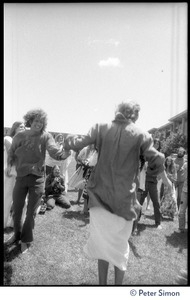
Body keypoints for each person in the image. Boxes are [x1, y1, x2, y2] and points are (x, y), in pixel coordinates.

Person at [64, 101, 172, 285]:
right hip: (125, 202)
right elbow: (158, 158)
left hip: (99, 198)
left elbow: (77, 143)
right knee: (120, 249)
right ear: (135, 116)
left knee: (101, 246)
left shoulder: (100, 127)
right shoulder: (141, 135)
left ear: (117, 111)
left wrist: (68, 139)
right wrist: (167, 180)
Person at [5, 108, 71, 254]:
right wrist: (9, 166)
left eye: (41, 122)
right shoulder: (20, 136)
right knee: (16, 209)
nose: (38, 124)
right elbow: (11, 152)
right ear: (30, 120)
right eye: (36, 121)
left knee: (31, 212)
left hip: (37, 180)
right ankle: (16, 235)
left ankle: (26, 240)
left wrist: (65, 152)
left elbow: (55, 151)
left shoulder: (46, 136)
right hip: (21, 178)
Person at [4, 121, 25, 228]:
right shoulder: (8, 138)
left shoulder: (24, 141)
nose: (23, 128)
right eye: (21, 126)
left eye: (24, 127)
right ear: (15, 128)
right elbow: (12, 153)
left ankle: (15, 223)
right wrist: (8, 166)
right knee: (6, 197)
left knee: (20, 199)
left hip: (20, 172)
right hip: (8, 171)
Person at [139, 138, 163, 229]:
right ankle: (135, 221)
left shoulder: (160, 156)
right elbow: (143, 166)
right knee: (139, 201)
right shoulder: (147, 153)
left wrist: (156, 175)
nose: (156, 144)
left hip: (153, 182)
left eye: (158, 143)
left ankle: (158, 222)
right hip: (144, 181)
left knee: (156, 203)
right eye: (155, 142)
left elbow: (161, 170)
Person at [178, 161, 187, 232]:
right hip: (185, 191)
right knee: (182, 211)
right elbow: (181, 172)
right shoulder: (185, 164)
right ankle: (181, 228)